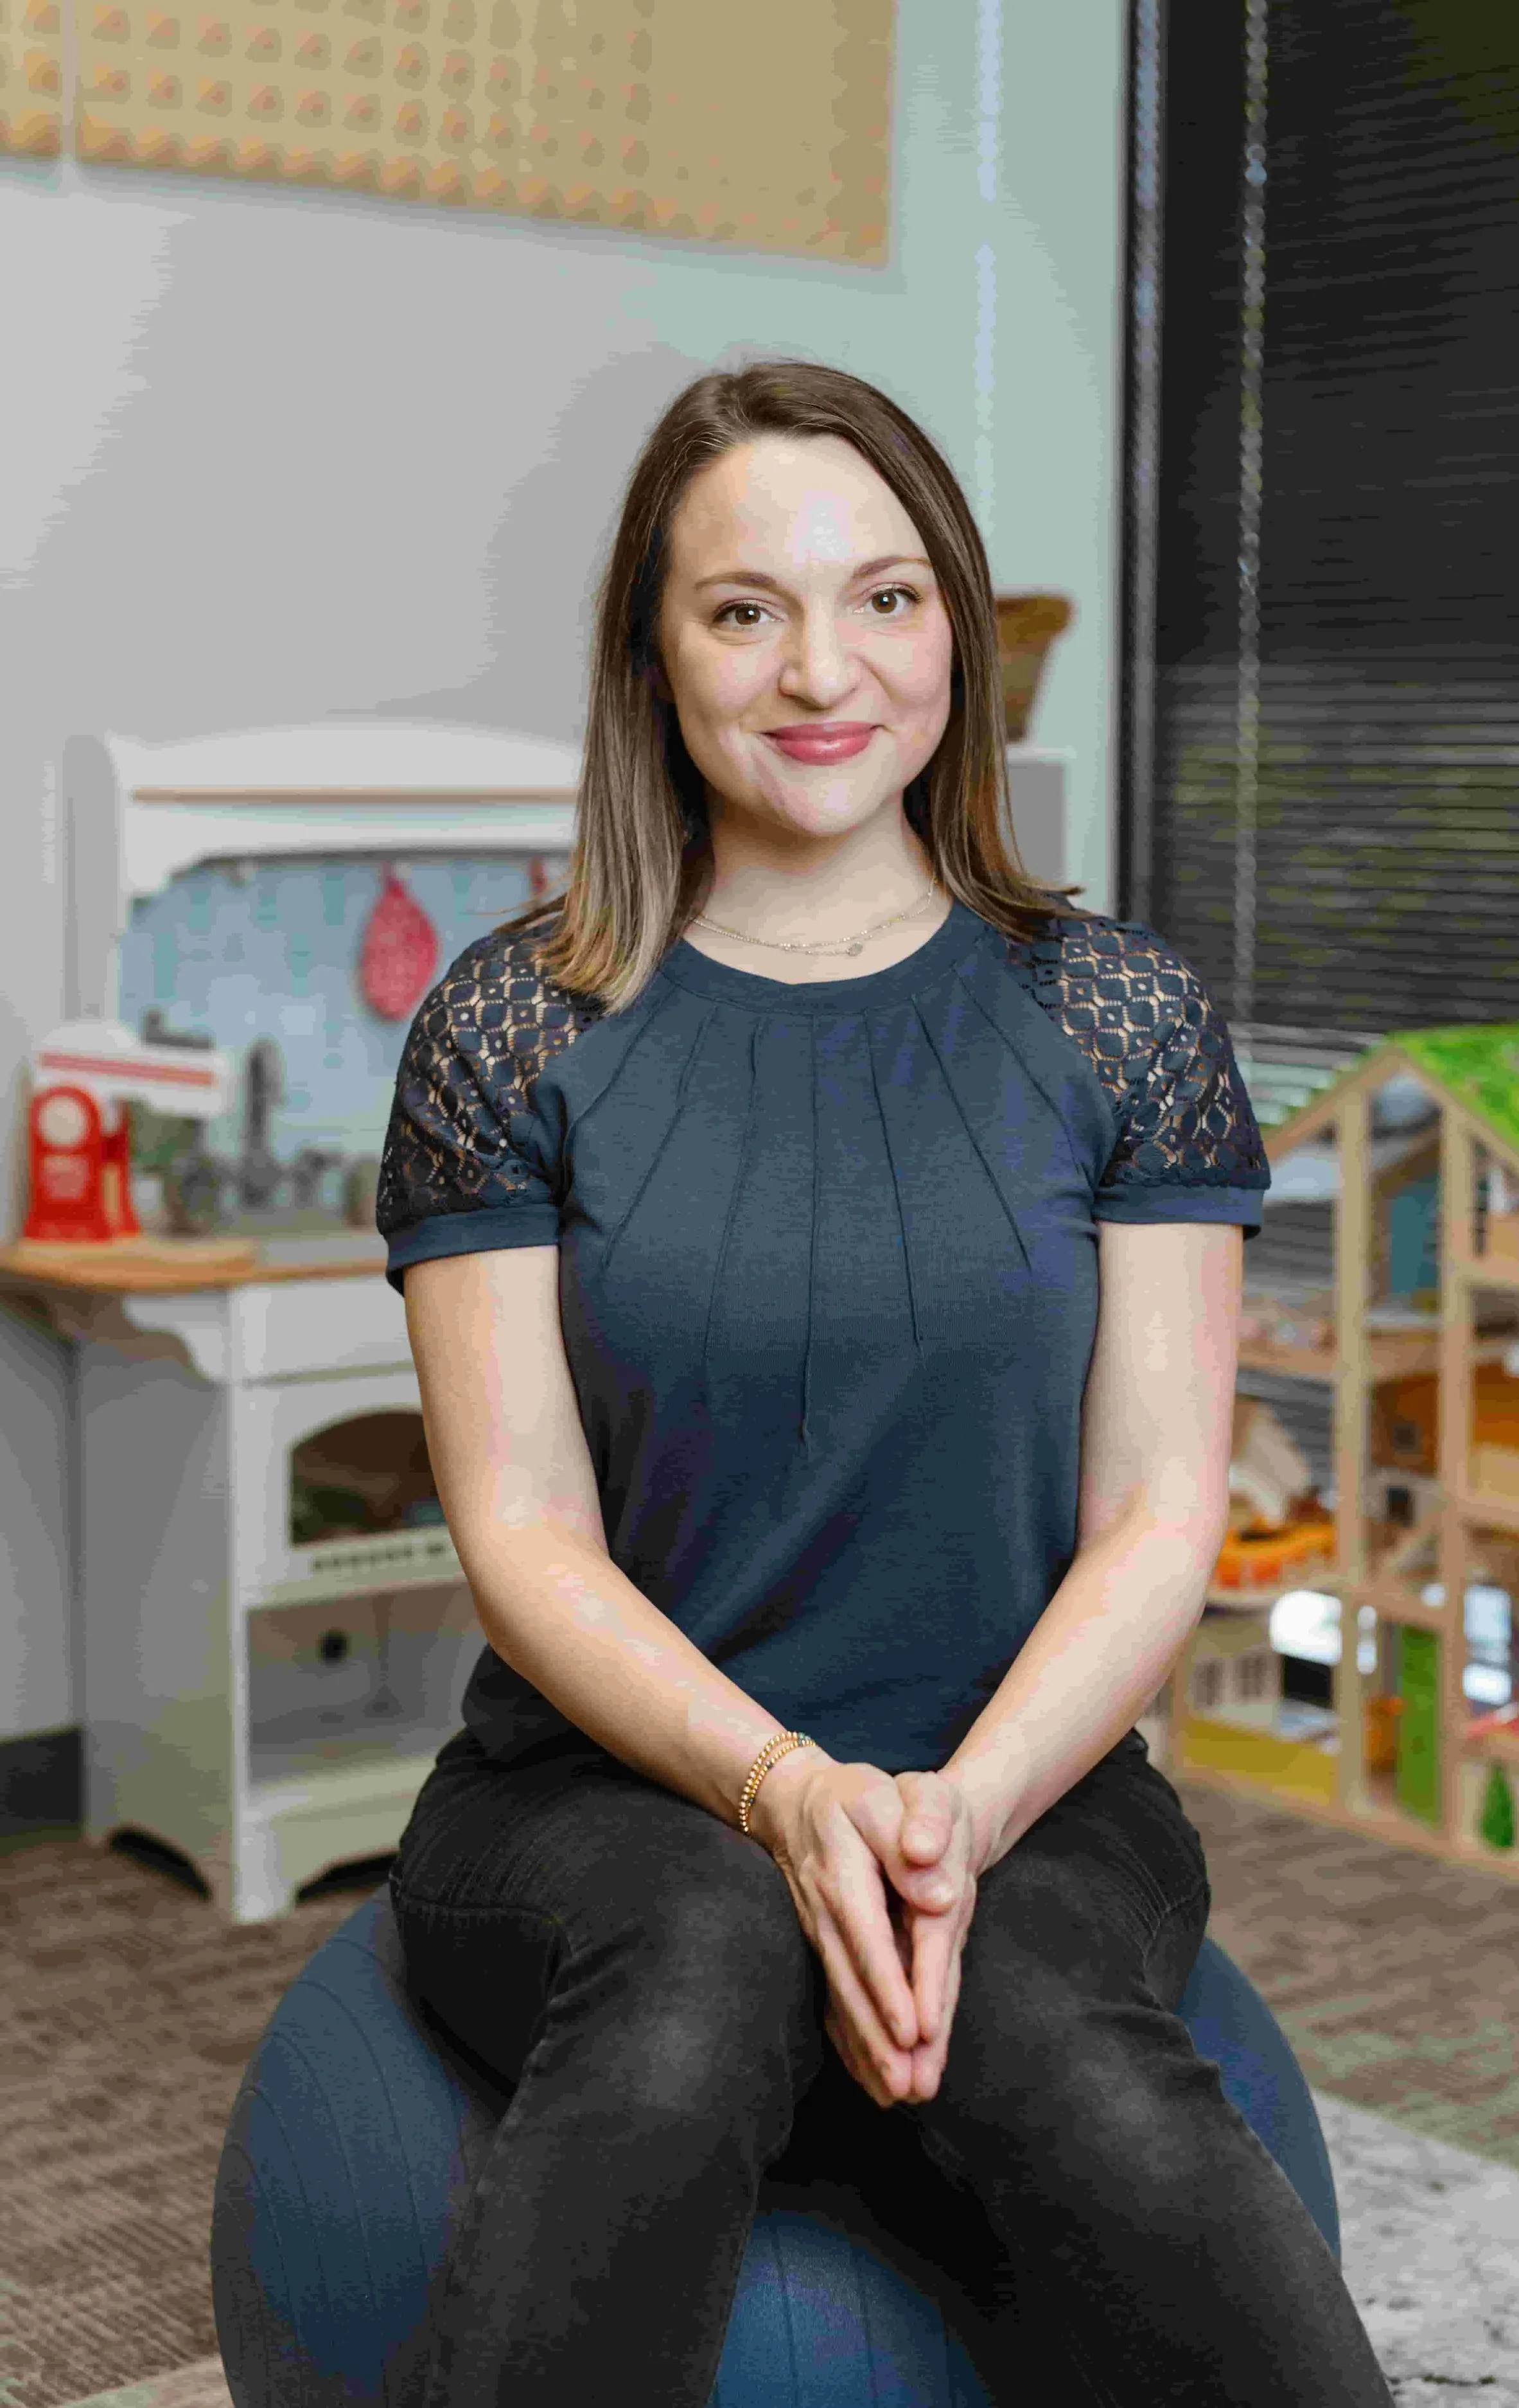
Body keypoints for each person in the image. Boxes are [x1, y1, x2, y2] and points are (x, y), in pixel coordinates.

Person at [376, 358, 1392, 2407]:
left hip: (1028, 1782)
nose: (820, 666)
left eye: (888, 597)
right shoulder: (511, 1026)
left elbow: (1152, 1514)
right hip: (595, 1800)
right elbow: (522, 1531)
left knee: (1071, 2068)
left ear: (960, 635)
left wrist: (955, 1814)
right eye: (742, 606)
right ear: (652, 657)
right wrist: (782, 1791)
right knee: (696, 1974)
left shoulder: (1115, 1018)